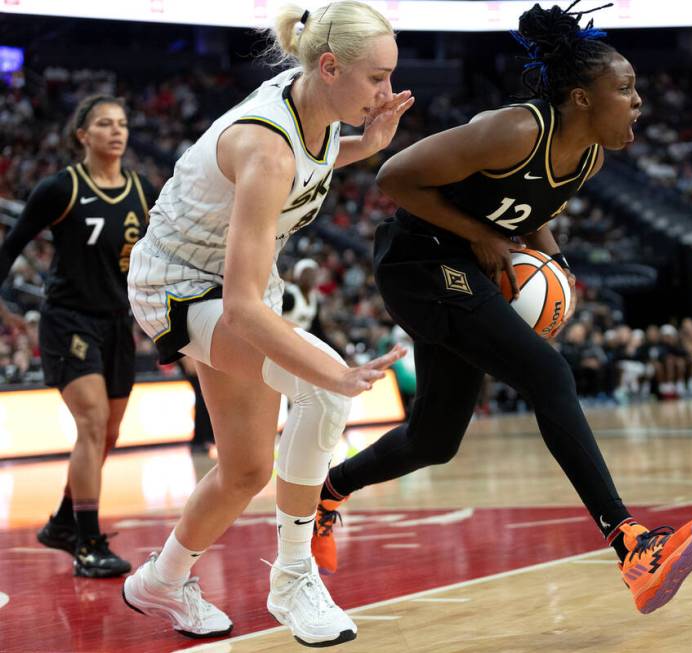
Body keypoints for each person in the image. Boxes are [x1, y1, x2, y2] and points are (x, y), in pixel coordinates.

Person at [312, 1, 692, 616]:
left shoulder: (589, 158)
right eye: (625, 88)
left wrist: (557, 268)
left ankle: (328, 491)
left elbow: (535, 214)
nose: (637, 101)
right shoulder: (516, 131)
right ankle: (632, 546)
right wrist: (479, 233)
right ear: (580, 98)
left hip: (466, 267)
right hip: (416, 261)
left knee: (435, 438)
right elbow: (392, 178)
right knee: (548, 373)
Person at [121, 2, 411, 645]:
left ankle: (162, 580)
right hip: (178, 288)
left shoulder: (323, 107)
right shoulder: (267, 144)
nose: (387, 92)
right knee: (321, 393)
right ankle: (294, 578)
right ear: (330, 66)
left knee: (247, 470)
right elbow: (245, 307)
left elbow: (310, 167)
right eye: (377, 79)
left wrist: (368, 146)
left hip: (232, 286)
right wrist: (333, 371)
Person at [0, 95, 155, 578]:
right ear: (82, 135)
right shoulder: (60, 189)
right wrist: (5, 313)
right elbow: (10, 247)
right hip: (68, 320)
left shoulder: (143, 190)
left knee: (107, 434)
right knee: (90, 426)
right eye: (104, 124)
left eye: (123, 123)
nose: (117, 131)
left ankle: (65, 522)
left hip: (117, 325)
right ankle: (88, 542)